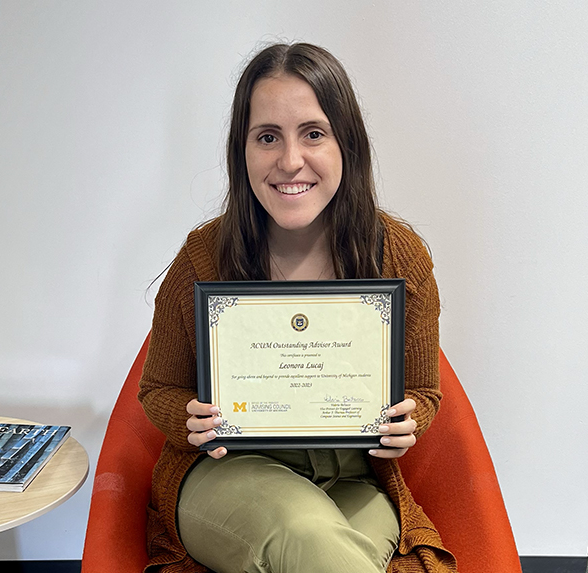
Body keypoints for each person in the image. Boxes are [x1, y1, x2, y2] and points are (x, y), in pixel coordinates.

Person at [137, 43, 457, 573]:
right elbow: (157, 390)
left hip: (351, 480)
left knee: (332, 554)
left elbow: (424, 391)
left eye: (313, 133)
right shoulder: (202, 256)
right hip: (226, 472)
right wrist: (188, 417)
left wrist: (410, 419)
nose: (290, 161)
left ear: (346, 144)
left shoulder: (399, 255)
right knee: (305, 536)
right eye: (268, 137)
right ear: (242, 151)